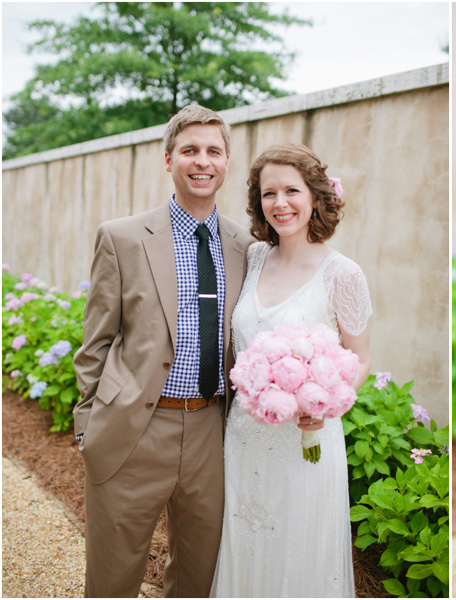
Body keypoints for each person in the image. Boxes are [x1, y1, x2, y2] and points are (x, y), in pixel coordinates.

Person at [73, 105, 254, 597]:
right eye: (190, 150)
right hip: (133, 427)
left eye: (213, 151)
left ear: (227, 161)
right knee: (112, 576)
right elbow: (95, 342)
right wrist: (88, 425)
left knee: (199, 575)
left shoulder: (247, 246)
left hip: (211, 431)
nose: (202, 161)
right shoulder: (122, 237)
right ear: (169, 159)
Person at [210, 143, 372, 597]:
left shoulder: (343, 274)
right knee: (244, 542)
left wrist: (324, 406)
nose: (280, 203)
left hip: (307, 437)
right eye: (269, 194)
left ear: (316, 196)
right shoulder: (253, 259)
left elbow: (360, 356)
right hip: (244, 436)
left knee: (298, 550)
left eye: (291, 191)